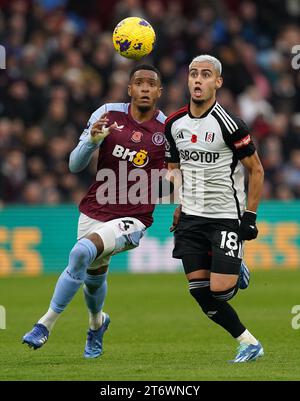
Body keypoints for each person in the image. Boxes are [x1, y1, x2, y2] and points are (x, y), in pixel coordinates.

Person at [22, 64, 166, 358]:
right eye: (139, 83)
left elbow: (179, 175)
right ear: (130, 89)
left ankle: (44, 324)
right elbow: (74, 164)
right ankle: (97, 323)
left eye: (151, 84)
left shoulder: (167, 130)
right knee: (93, 279)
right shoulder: (107, 114)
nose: (145, 88)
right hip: (94, 210)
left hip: (134, 219)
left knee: (79, 253)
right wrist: (92, 141)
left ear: (159, 92)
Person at [165, 55, 264, 363]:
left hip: (224, 217)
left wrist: (250, 216)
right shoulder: (174, 123)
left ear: (217, 82)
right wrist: (180, 203)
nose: (197, 80)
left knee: (220, 290)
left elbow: (256, 170)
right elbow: (173, 167)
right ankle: (249, 343)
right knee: (198, 290)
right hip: (191, 218)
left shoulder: (230, 124)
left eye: (205, 75)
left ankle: (236, 269)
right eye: (193, 74)